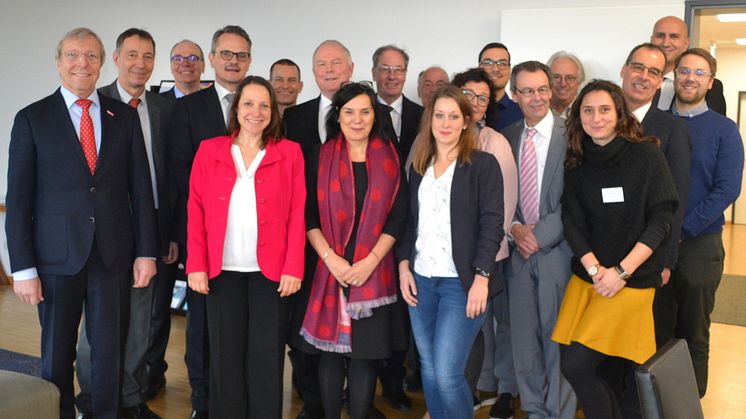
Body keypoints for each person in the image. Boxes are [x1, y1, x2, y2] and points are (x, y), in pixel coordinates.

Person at [6, 27, 157, 419]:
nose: (82, 63)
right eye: (73, 55)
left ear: (102, 63)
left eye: (91, 56)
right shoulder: (32, 119)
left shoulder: (122, 117)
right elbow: (19, 200)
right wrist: (22, 269)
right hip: (55, 258)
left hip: (112, 255)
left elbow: (140, 190)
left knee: (109, 350)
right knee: (57, 352)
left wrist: (146, 253)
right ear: (58, 63)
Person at [553, 79, 679, 418]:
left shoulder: (646, 154)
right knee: (593, 370)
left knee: (577, 365)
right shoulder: (578, 160)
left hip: (630, 281)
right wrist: (596, 270)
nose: (596, 117)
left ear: (619, 113)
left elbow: (662, 219)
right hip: (591, 280)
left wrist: (621, 272)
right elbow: (572, 222)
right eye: (588, 111)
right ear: (578, 117)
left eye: (605, 109)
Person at [186, 75, 305, 418]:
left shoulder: (289, 152)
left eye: (264, 105)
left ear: (273, 111)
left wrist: (293, 266)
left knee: (266, 355)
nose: (257, 111)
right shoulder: (210, 150)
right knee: (225, 355)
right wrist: (196, 264)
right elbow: (195, 208)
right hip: (221, 272)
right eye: (249, 104)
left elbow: (298, 212)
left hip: (271, 273)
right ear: (236, 109)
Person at [74, 27, 175, 419]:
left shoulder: (166, 109)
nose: (140, 63)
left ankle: (130, 398)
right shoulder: (95, 104)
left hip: (148, 229)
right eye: (131, 55)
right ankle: (91, 399)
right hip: (104, 230)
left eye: (148, 56)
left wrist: (165, 235)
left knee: (140, 321)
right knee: (95, 324)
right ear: (114, 59)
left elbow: (171, 177)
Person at [300, 81, 408, 419]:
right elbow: (309, 216)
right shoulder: (321, 154)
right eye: (349, 112)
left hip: (373, 273)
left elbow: (399, 215)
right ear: (338, 115)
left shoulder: (391, 155)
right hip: (329, 270)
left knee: (364, 358)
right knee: (331, 356)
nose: (357, 119)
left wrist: (369, 262)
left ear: (375, 116)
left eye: (365, 111)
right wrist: (332, 260)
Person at [398, 84, 504, 419]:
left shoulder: (482, 165)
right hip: (421, 280)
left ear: (466, 121)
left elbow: (492, 225)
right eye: (439, 115)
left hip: (463, 284)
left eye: (453, 116)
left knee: (447, 373)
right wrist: (403, 267)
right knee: (429, 369)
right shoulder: (419, 164)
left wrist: (482, 279)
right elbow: (408, 221)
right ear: (430, 120)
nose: (445, 123)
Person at [170, 24, 253, 419]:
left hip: (252, 246)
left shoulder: (261, 106)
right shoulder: (188, 108)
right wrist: (182, 237)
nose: (233, 61)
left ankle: (238, 399)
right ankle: (202, 402)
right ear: (213, 58)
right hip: (204, 239)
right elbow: (180, 177)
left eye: (240, 55)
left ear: (249, 60)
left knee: (242, 329)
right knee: (201, 326)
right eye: (226, 54)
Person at [283, 39, 354, 419]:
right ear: (313, 72)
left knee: (356, 327)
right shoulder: (295, 118)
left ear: (350, 67)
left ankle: (352, 397)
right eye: (321, 63)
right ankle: (313, 399)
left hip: (356, 245)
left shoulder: (369, 113)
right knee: (303, 325)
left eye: (336, 62)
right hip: (306, 240)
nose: (328, 69)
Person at [502, 61, 577, 419]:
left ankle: (558, 412)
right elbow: (498, 196)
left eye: (542, 89)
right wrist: (516, 229)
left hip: (556, 252)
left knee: (557, 338)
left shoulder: (574, 135)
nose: (537, 97)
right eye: (528, 91)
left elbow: (576, 200)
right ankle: (534, 409)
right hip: (517, 252)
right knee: (523, 341)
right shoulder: (507, 136)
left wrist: (538, 236)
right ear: (515, 94)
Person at [670, 48, 744, 397]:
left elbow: (727, 188)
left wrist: (685, 228)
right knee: (656, 329)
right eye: (685, 71)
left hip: (699, 246)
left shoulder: (724, 130)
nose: (690, 78)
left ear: (710, 82)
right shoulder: (655, 124)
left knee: (693, 331)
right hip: (651, 245)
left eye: (699, 73)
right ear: (674, 75)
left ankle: (689, 404)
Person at [451, 68, 519, 419]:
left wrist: (483, 259)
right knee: (466, 332)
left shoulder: (495, 142)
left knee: (492, 327)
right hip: (445, 259)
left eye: (482, 97)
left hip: (487, 256)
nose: (474, 103)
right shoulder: (437, 136)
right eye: (468, 94)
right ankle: (467, 391)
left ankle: (498, 389)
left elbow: (504, 209)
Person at [619, 42, 692, 348]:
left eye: (654, 72)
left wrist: (666, 262)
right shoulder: (600, 118)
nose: (644, 77)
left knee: (642, 344)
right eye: (638, 67)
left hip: (648, 257)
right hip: (602, 257)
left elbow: (677, 199)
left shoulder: (672, 129)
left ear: (661, 81)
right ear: (623, 70)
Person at [371, 44, 423, 411]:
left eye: (398, 69)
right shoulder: (361, 111)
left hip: (413, 228)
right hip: (367, 229)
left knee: (400, 315)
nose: (392, 75)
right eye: (385, 69)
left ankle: (393, 383)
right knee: (367, 311)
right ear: (374, 71)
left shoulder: (424, 115)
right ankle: (359, 386)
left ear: (407, 73)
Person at [650, 15, 726, 115]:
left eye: (674, 36)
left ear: (686, 43)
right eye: (660, 35)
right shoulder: (638, 80)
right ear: (651, 40)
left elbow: (714, 126)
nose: (666, 43)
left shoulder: (708, 87)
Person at [478, 43, 523, 131]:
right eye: (488, 63)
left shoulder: (522, 113)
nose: (495, 69)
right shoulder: (464, 109)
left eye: (502, 63)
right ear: (479, 69)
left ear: (510, 71)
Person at [547, 51, 585, 118]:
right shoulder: (536, 109)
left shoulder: (587, 111)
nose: (563, 84)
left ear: (579, 81)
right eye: (556, 77)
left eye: (569, 78)